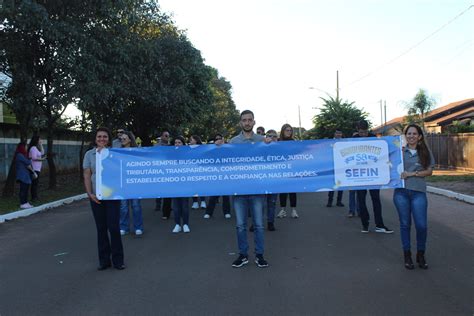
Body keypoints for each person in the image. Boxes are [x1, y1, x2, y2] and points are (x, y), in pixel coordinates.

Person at [230, 110, 269, 268]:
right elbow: (225, 162)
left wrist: (271, 144)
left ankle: (259, 255)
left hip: (257, 189)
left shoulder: (262, 140)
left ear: (254, 122)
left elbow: (273, 157)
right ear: (240, 123)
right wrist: (219, 146)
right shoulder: (233, 141)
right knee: (240, 225)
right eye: (244, 120)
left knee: (259, 225)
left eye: (249, 120)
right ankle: (243, 255)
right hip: (239, 190)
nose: (247, 122)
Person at [83, 127, 125, 270]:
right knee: (101, 229)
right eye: (99, 136)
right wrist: (90, 193)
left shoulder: (115, 154)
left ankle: (118, 260)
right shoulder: (89, 155)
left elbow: (122, 171)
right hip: (96, 197)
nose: (102, 139)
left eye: (105, 137)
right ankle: (104, 261)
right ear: (95, 139)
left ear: (109, 139)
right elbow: (87, 175)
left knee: (114, 228)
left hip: (112, 196)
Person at [393, 124, 434, 270]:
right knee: (405, 225)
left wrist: (412, 174)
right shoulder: (398, 151)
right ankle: (407, 255)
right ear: (405, 136)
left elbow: (429, 171)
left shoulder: (424, 151)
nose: (411, 136)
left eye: (414, 134)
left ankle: (420, 254)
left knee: (421, 225)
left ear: (419, 136)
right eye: (408, 133)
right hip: (401, 193)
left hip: (418, 192)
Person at [354, 120, 393, 234]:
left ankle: (379, 225)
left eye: (365, 132)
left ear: (368, 130)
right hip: (359, 175)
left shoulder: (374, 138)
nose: (363, 135)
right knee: (361, 200)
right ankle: (365, 224)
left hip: (373, 174)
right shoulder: (352, 139)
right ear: (357, 130)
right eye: (361, 132)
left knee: (376, 199)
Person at [119, 131, 144, 236]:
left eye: (125, 138)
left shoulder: (136, 152)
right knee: (123, 207)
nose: (123, 140)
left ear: (130, 140)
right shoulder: (117, 152)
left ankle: (138, 227)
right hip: (122, 183)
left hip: (134, 184)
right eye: (121, 139)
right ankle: (124, 227)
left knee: (136, 205)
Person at [204, 134, 232, 219]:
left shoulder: (227, 149)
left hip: (225, 175)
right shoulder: (211, 149)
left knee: (226, 196)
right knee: (213, 196)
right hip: (215, 176)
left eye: (220, 139)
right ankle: (209, 213)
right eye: (217, 139)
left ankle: (227, 212)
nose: (218, 140)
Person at [276, 124, 299, 219]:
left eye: (290, 130)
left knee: (293, 191)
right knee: (283, 191)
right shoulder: (278, 142)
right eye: (287, 130)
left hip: (292, 169)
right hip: (281, 170)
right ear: (282, 131)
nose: (289, 132)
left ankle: (293, 210)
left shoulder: (294, 142)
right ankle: (283, 210)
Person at [171, 136, 191, 233]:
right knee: (175, 206)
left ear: (183, 144)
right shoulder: (170, 155)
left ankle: (186, 224)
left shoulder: (188, 154)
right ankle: (177, 224)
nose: (177, 144)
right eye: (175, 142)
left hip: (185, 183)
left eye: (179, 142)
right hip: (174, 184)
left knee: (184, 205)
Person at [154, 130, 172, 219]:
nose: (167, 137)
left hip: (169, 172)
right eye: (165, 135)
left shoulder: (171, 146)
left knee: (167, 193)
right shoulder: (157, 146)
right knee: (160, 191)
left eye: (168, 136)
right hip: (160, 172)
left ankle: (166, 211)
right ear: (161, 136)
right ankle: (158, 205)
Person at [15, 141, 38, 209]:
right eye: (26, 146)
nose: (27, 147)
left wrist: (33, 172)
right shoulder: (19, 155)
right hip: (22, 175)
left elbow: (28, 164)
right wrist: (30, 158)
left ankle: (25, 202)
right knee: (23, 190)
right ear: (22, 147)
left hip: (26, 175)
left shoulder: (23, 155)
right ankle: (22, 203)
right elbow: (28, 162)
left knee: (26, 189)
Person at [327, 129, 344, 207]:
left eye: (340, 133)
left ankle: (339, 201)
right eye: (337, 133)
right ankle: (330, 201)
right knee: (332, 185)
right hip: (332, 166)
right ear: (334, 134)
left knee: (340, 184)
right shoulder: (329, 142)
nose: (338, 135)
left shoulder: (344, 142)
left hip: (341, 166)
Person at [189, 135, 207, 209]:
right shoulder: (188, 148)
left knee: (201, 186)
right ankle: (195, 202)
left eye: (191, 139)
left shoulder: (202, 148)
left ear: (196, 140)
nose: (190, 141)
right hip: (192, 170)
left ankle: (203, 201)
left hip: (201, 170)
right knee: (193, 186)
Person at [28, 135, 45, 201]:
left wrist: (41, 145)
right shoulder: (33, 148)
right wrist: (42, 159)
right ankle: (34, 197)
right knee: (34, 183)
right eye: (40, 139)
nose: (41, 140)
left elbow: (42, 153)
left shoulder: (36, 148)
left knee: (36, 183)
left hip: (37, 168)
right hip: (34, 168)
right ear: (36, 140)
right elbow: (34, 158)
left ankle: (35, 196)